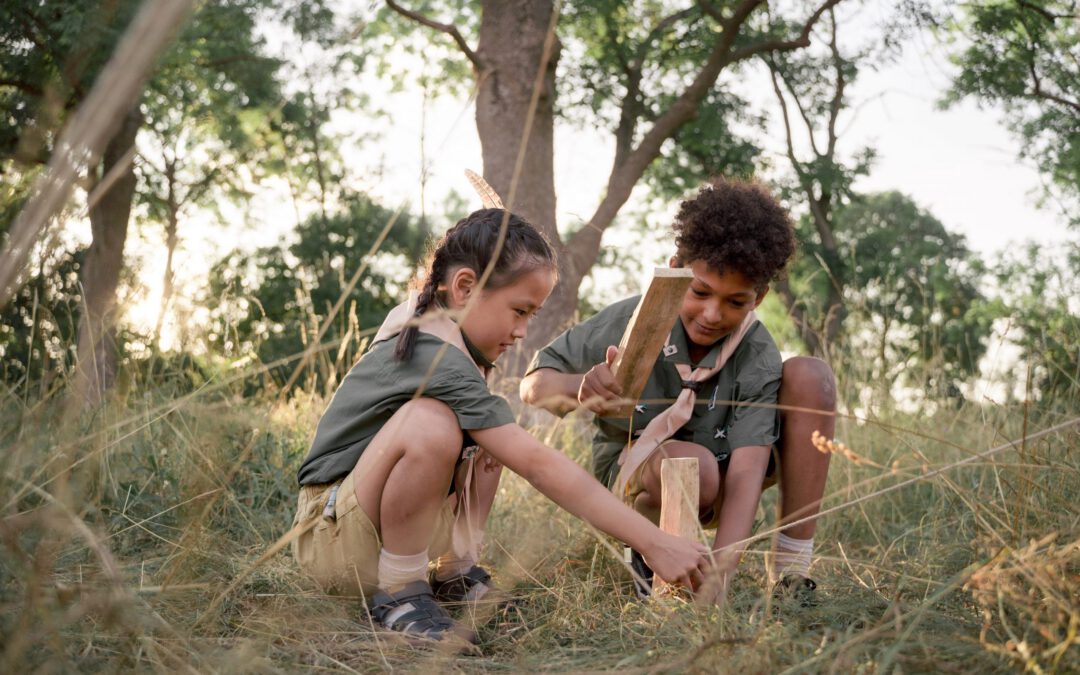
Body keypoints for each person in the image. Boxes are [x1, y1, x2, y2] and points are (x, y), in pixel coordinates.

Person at [292, 208, 710, 644]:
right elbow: (536, 463)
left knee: (488, 434)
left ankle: (456, 575)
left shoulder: (447, 329)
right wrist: (653, 541)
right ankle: (400, 592)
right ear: (464, 287)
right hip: (330, 538)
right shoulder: (434, 351)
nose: (523, 332)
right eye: (519, 311)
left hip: (366, 524)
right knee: (431, 424)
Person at [519, 178, 836, 605]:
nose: (711, 314)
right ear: (677, 269)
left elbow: (745, 476)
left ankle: (792, 576)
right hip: (637, 480)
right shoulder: (635, 319)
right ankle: (649, 561)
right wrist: (582, 388)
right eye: (700, 291)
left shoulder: (756, 353)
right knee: (694, 463)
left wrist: (721, 575)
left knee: (812, 376)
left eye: (734, 302)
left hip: (721, 480)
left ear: (758, 298)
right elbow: (532, 387)